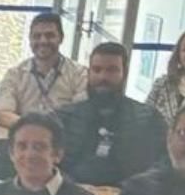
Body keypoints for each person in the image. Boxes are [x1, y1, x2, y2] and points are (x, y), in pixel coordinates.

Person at [57, 42, 168, 186]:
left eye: (112, 70)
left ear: (125, 73)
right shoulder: (64, 118)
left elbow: (162, 166)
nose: (103, 77)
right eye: (97, 70)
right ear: (88, 73)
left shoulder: (148, 120)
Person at [0, 12, 86, 128]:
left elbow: (81, 115)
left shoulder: (79, 74)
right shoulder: (15, 74)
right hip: (25, 138)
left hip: (64, 140)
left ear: (61, 38)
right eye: (36, 36)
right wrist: (34, 129)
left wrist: (48, 130)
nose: (43, 41)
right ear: (30, 40)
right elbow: (2, 113)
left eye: (49, 36)